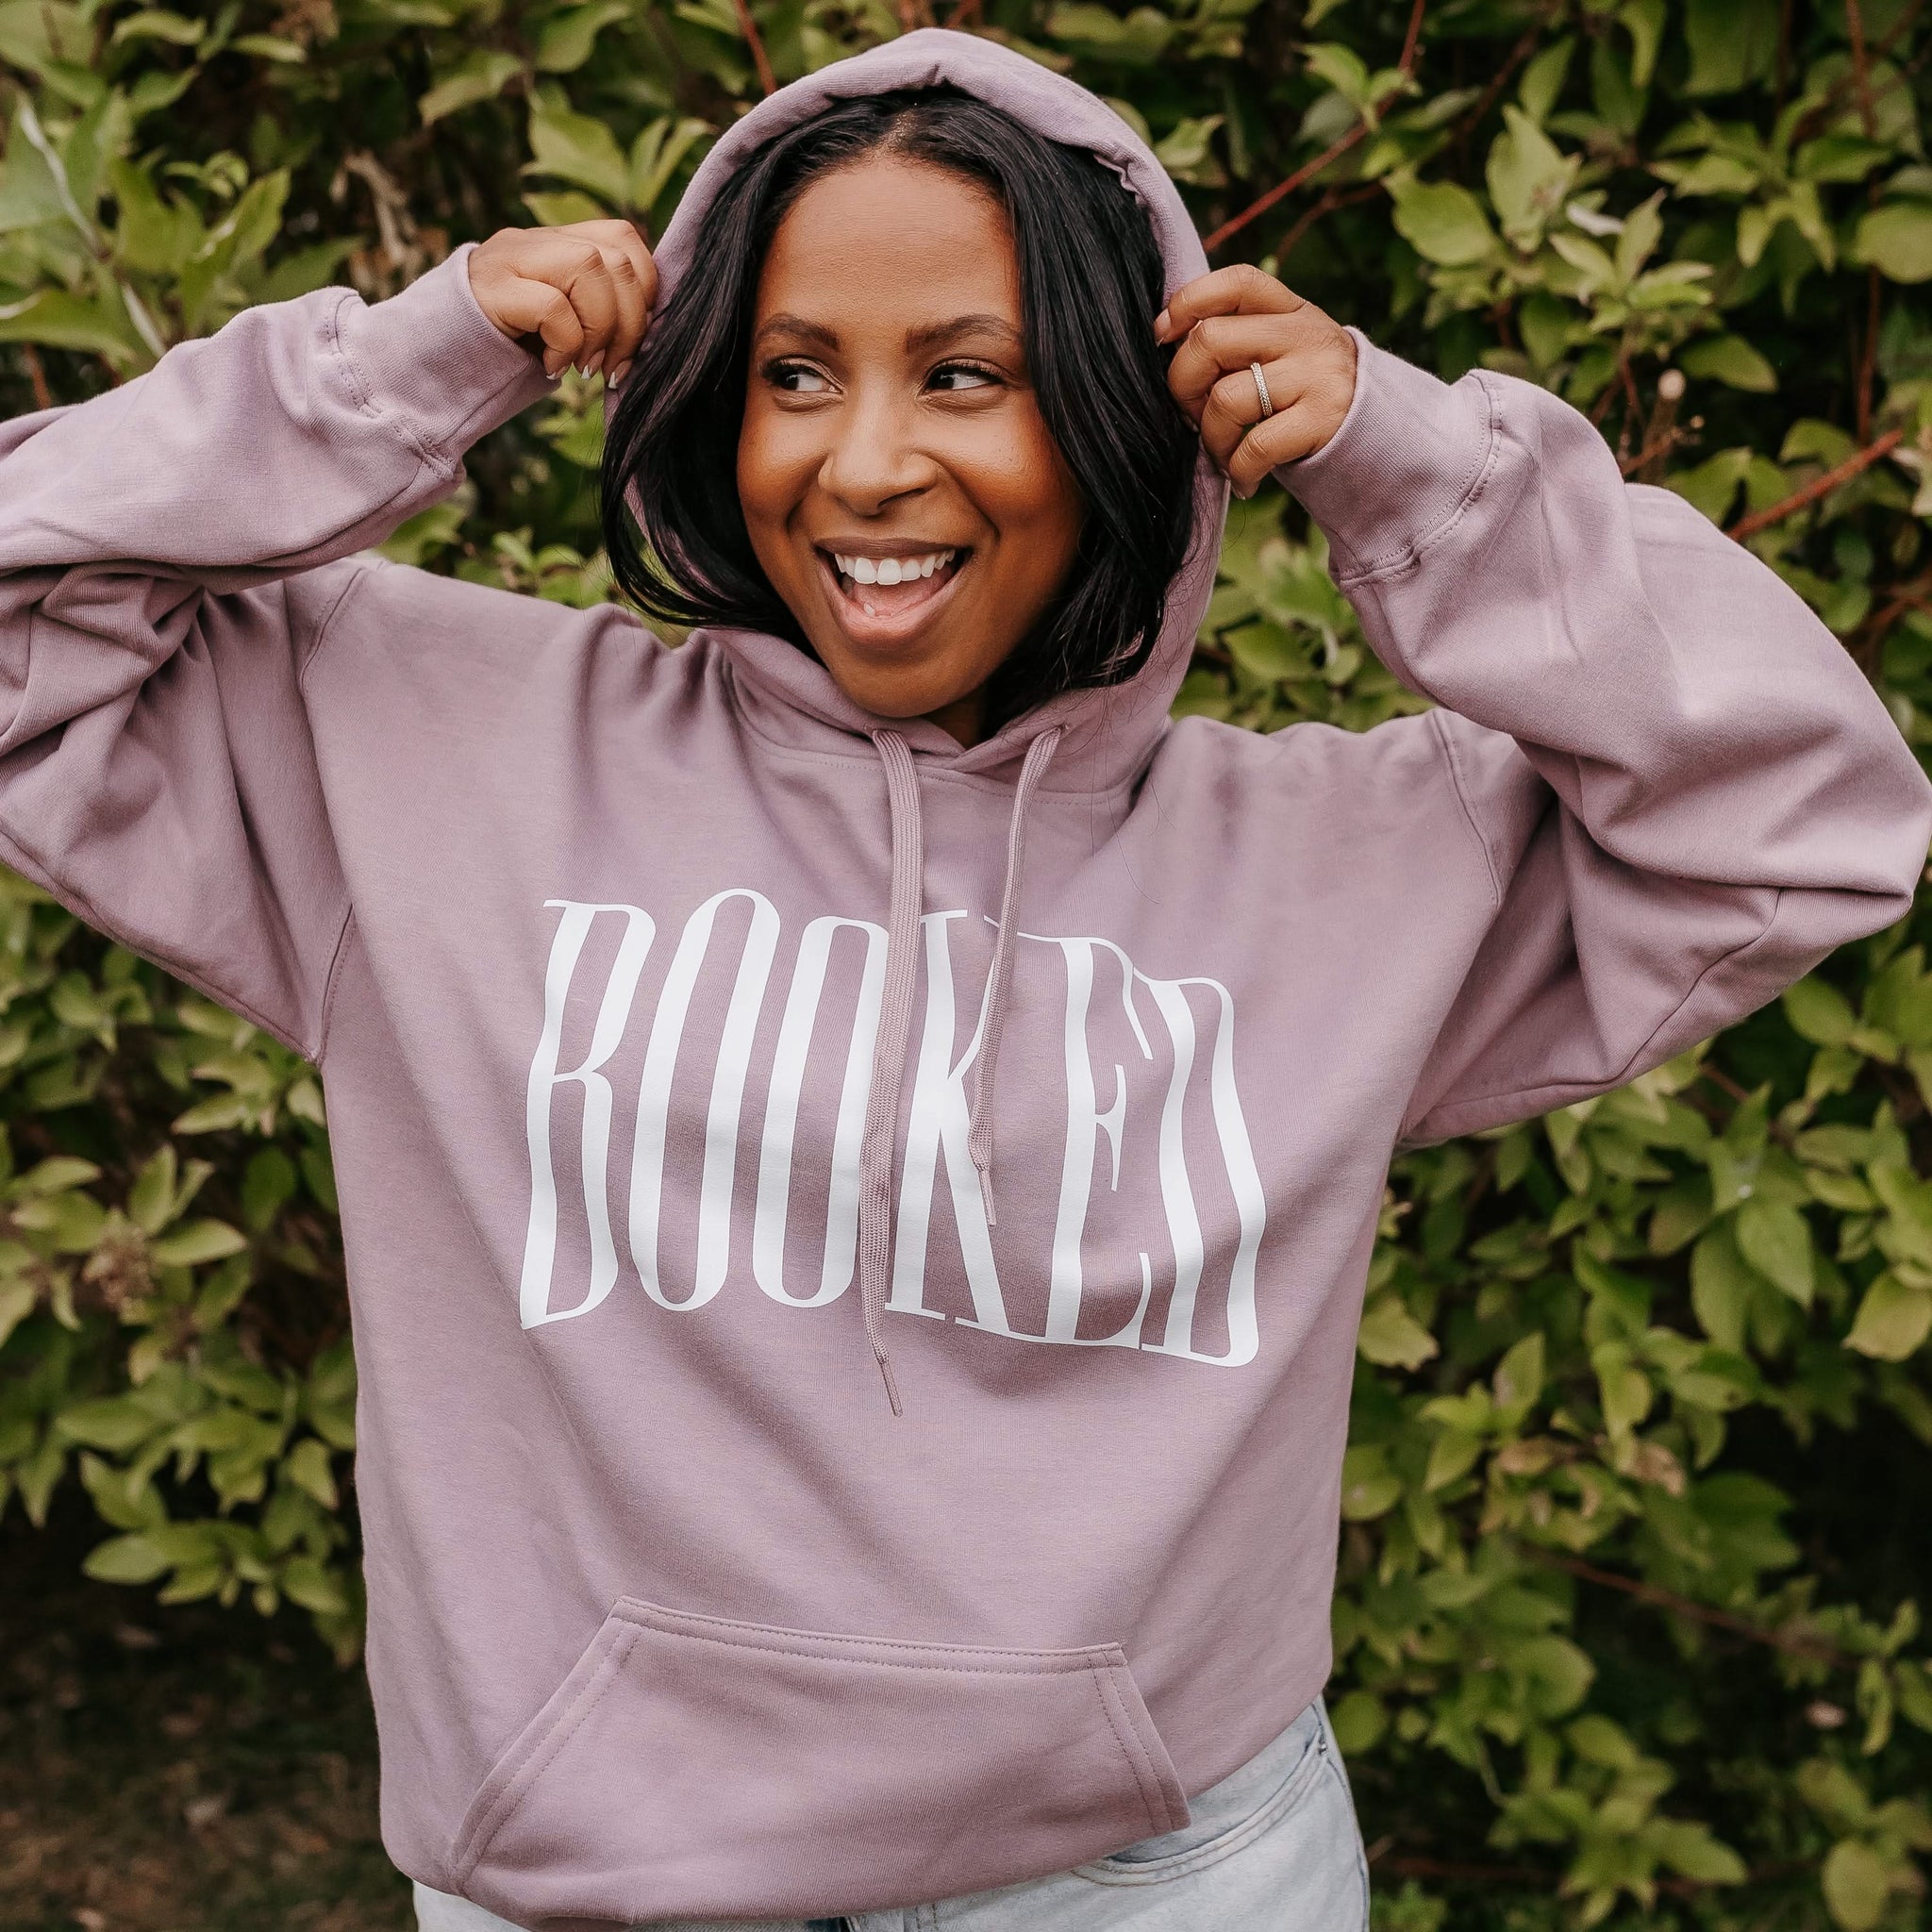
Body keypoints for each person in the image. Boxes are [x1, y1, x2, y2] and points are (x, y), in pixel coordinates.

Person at [1, 25, 1925, 1932]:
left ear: (1109, 412)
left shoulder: (1353, 865)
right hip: (597, 1872)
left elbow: (1805, 815)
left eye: (965, 374)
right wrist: (405, 366)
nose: (864, 462)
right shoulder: (421, 747)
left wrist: (1419, 477)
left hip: (1155, 1881)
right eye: (793, 373)